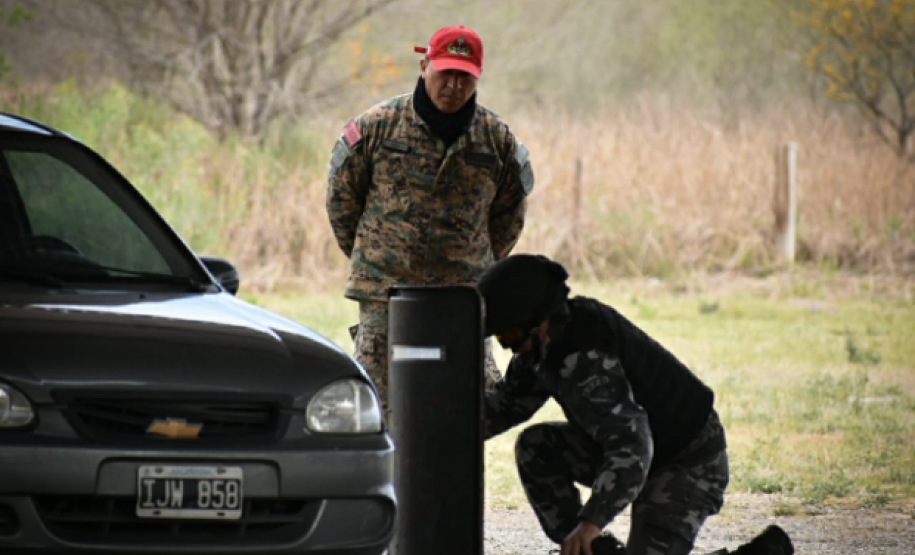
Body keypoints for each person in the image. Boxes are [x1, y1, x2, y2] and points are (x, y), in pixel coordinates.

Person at [476, 254, 794, 555]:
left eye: (513, 335)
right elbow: (505, 407)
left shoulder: (586, 356)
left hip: (686, 460)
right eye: (502, 338)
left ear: (539, 320)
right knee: (536, 447)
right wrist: (436, 431)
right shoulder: (543, 348)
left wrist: (591, 523)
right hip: (636, 450)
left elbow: (632, 445)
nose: (510, 348)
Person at [326, 25, 534, 408]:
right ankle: (388, 470)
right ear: (424, 66)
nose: (454, 85)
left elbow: (508, 215)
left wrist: (475, 262)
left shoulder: (495, 138)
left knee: (470, 404)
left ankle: (452, 469)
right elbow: (342, 200)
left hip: (461, 292)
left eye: (465, 76)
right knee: (378, 404)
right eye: (446, 72)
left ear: (477, 78)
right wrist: (377, 256)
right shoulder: (378, 125)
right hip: (386, 291)